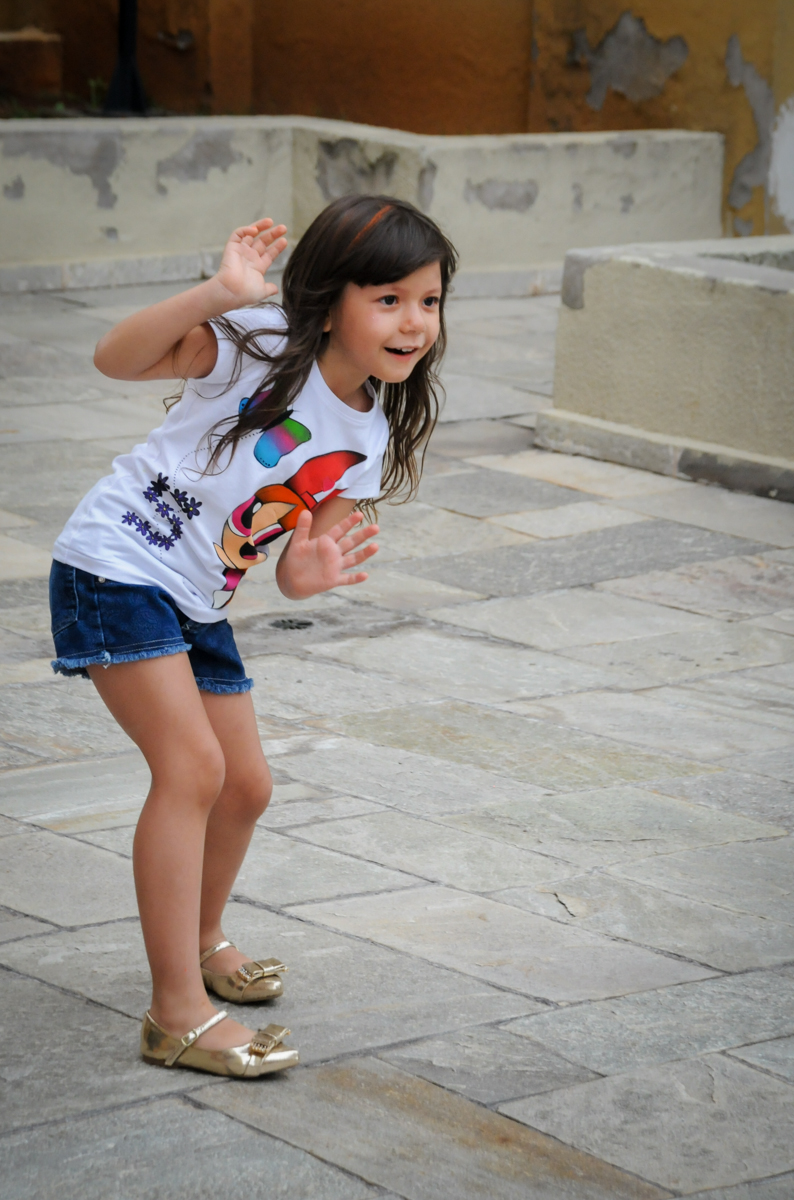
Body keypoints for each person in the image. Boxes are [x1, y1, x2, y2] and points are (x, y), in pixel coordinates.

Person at [48, 195, 457, 1078]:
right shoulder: (258, 339)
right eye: (387, 298)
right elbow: (113, 358)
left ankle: (201, 941)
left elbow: (298, 551)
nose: (412, 321)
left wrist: (306, 573)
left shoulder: (370, 433)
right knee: (192, 771)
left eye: (427, 300)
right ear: (327, 297)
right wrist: (216, 293)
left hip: (196, 600)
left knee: (246, 787)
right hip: (116, 563)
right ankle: (176, 1015)